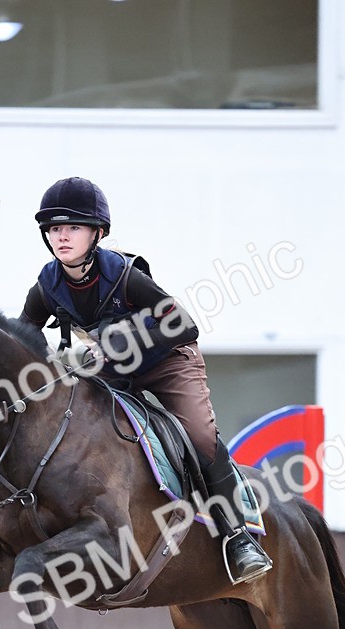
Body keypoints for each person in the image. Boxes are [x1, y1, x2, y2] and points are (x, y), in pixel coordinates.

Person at [18, 176, 272, 584]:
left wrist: (114, 343)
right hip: (113, 371)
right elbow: (21, 341)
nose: (61, 237)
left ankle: (239, 536)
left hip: (169, 359)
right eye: (54, 229)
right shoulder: (46, 287)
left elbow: (184, 325)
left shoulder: (124, 275)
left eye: (73, 227)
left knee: (199, 437)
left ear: (97, 233)